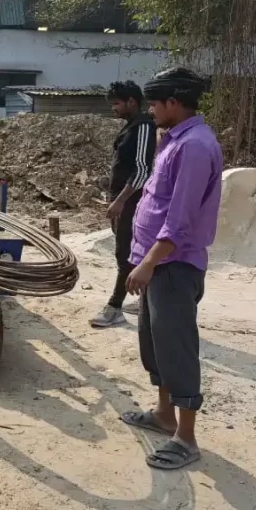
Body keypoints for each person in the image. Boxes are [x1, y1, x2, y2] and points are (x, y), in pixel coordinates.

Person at [121, 67, 222, 470]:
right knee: (154, 341)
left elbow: (179, 219)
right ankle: (164, 414)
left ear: (174, 103)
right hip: (158, 264)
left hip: (173, 265)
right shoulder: (174, 139)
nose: (150, 110)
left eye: (154, 103)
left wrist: (148, 262)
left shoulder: (195, 146)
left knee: (177, 346)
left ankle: (187, 437)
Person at [90, 81, 156, 328]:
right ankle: (145, 300)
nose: (114, 108)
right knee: (129, 252)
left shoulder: (143, 128)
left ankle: (115, 307)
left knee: (124, 255)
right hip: (122, 200)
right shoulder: (131, 127)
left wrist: (120, 201)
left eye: (117, 103)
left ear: (131, 102)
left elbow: (142, 171)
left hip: (132, 201)